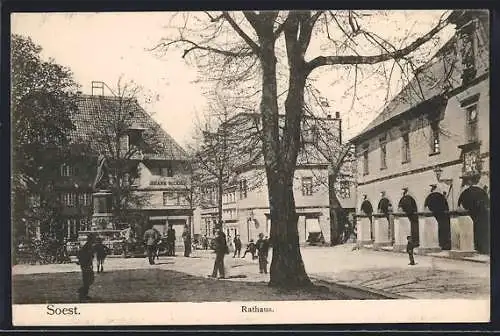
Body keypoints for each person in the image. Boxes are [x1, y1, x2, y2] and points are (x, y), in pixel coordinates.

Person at [77, 233, 96, 302]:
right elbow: (82, 253)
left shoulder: (89, 245)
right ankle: (82, 293)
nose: (95, 240)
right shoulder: (88, 246)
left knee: (89, 279)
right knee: (88, 279)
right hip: (85, 265)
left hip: (86, 264)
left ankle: (83, 293)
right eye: (94, 238)